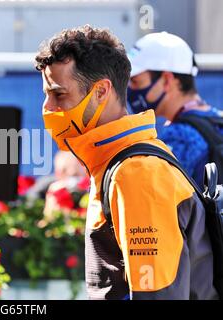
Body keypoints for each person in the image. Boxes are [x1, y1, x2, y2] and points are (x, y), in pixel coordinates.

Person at [36, 25, 218, 300]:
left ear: (101, 92)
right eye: (46, 94)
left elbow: (157, 295)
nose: (48, 107)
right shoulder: (118, 162)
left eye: (59, 94)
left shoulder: (137, 172)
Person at [127, 32, 223, 185]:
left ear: (167, 80)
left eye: (136, 81)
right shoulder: (217, 118)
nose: (130, 89)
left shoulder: (178, 137)